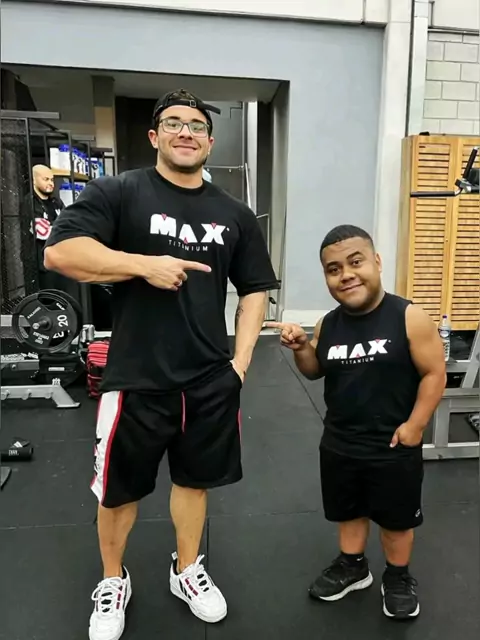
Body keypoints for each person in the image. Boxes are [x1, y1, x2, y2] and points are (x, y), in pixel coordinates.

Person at [44, 88, 279, 640]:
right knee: (118, 491)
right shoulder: (120, 192)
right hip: (136, 376)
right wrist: (142, 265)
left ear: (210, 142)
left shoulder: (234, 214)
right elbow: (60, 252)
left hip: (209, 378)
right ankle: (112, 579)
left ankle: (186, 569)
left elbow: (255, 289)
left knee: (194, 484)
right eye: (173, 123)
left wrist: (241, 363)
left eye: (196, 126)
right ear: (154, 136)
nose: (185, 133)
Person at [266, 224, 446, 620]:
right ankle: (353, 566)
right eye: (334, 269)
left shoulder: (409, 317)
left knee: (396, 521)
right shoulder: (328, 324)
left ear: (376, 262)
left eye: (355, 262)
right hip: (341, 441)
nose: (345, 274)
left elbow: (435, 373)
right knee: (348, 511)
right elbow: (315, 370)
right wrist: (302, 347)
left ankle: (397, 576)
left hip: (393, 443)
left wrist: (415, 426)